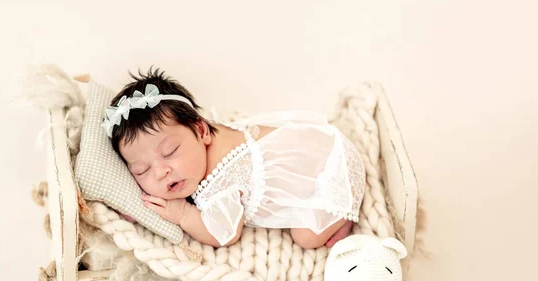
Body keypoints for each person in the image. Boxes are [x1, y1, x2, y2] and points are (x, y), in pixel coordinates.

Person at [105, 68, 365, 249]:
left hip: (333, 170)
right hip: (319, 145)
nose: (161, 171)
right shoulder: (202, 141)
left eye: (170, 151)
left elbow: (226, 234)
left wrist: (183, 213)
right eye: (142, 170)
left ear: (201, 130)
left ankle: (343, 212)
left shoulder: (221, 179)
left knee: (306, 237)